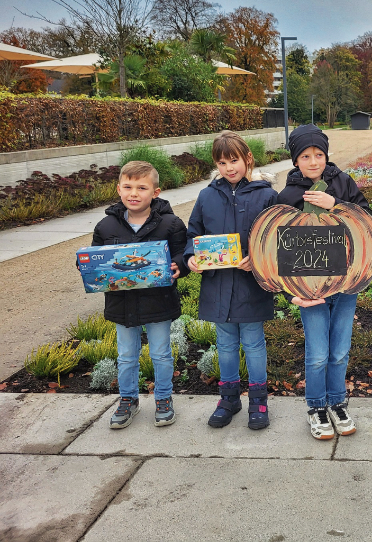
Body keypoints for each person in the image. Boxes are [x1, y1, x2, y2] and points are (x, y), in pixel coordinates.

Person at [277, 124, 371, 440]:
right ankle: (317, 407)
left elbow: (366, 219)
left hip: (345, 283)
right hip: (310, 288)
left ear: (326, 155)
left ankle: (337, 402)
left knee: (340, 350)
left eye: (319, 154)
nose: (313, 161)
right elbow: (276, 244)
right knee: (318, 353)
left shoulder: (343, 183)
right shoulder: (288, 195)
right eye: (305, 155)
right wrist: (291, 293)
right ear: (295, 160)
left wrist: (338, 206)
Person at [185, 130, 278, 430]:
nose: (229, 168)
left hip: (251, 286)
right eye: (222, 162)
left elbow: (277, 238)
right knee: (225, 344)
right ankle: (228, 398)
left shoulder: (266, 194)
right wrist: (191, 257)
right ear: (216, 164)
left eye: (234, 160)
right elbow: (193, 234)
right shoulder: (207, 196)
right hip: (218, 285)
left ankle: (258, 400)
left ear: (247, 158)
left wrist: (259, 258)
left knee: (253, 344)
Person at [90, 160, 188, 429]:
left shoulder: (170, 223)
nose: (134, 193)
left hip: (159, 301)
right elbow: (95, 257)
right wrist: (86, 266)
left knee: (161, 354)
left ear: (155, 192)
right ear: (118, 189)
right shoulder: (106, 226)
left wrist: (179, 265)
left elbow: (183, 253)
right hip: (123, 304)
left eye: (142, 187)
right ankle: (128, 399)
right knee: (126, 356)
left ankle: (164, 398)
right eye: (128, 186)